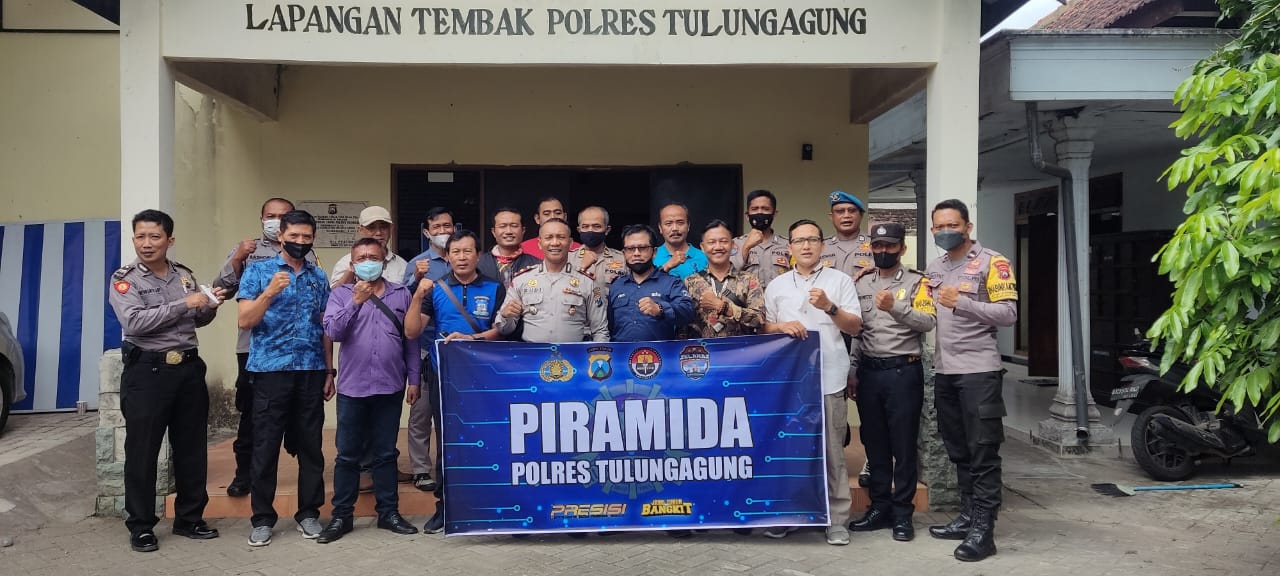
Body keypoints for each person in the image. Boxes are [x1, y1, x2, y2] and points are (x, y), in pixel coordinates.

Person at [109, 209, 225, 553]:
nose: (147, 243)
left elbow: (196, 319)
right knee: (142, 451)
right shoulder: (125, 279)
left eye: (155, 237)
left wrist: (209, 305)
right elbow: (134, 322)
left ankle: (190, 518)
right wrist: (183, 303)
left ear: (169, 240)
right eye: (140, 236)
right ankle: (141, 525)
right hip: (148, 372)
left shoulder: (184, 275)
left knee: (192, 448)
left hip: (188, 369)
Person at [924, 199, 1018, 562]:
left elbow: (1008, 314)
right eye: (939, 227)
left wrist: (962, 302)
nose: (945, 231)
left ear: (968, 226)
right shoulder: (936, 267)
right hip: (946, 371)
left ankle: (984, 530)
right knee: (958, 449)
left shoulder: (993, 262)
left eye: (953, 225)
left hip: (979, 371)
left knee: (983, 451)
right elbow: (926, 313)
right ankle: (966, 516)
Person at [236, 210, 334, 547]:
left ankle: (309, 514)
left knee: (310, 447)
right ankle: (263, 518)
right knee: (265, 446)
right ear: (281, 236)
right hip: (270, 372)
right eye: (294, 236)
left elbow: (325, 326)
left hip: (310, 370)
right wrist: (269, 293)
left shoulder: (318, 277)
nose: (300, 242)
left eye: (306, 237)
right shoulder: (258, 271)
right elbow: (245, 320)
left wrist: (329, 370)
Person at [762, 219, 862, 546]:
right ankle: (792, 514)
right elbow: (764, 327)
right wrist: (780, 327)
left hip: (829, 379)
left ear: (822, 245)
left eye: (812, 240)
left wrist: (830, 307)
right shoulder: (777, 285)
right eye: (799, 240)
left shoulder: (840, 280)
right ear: (789, 246)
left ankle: (837, 519)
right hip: (789, 384)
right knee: (792, 451)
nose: (806, 246)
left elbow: (855, 327)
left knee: (832, 453)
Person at [317, 238, 421, 543]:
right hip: (353, 388)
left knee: (386, 453)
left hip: (390, 385)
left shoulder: (401, 294)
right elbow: (332, 331)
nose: (367, 262)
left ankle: (388, 513)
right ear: (352, 265)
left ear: (383, 261)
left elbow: (411, 340)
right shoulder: (340, 294)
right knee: (347, 455)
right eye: (361, 258)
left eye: (373, 257)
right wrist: (356, 301)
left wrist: (414, 379)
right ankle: (341, 516)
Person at [211, 197, 315, 498]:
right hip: (254, 350)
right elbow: (221, 288)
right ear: (263, 219)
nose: (276, 220)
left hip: (297, 355)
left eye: (282, 216)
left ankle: (303, 479)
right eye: (271, 216)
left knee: (298, 418)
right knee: (252, 415)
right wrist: (237, 259)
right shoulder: (248, 251)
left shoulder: (306, 253)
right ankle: (244, 474)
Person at [405, 229, 506, 535]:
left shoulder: (495, 288)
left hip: (485, 377)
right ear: (447, 257)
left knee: (490, 437)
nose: (462, 257)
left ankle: (490, 504)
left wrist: (474, 338)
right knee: (448, 440)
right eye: (456, 252)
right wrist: (417, 296)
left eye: (468, 251)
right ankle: (445, 507)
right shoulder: (435, 288)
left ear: (478, 255)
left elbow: (504, 330)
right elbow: (411, 332)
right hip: (445, 375)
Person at [847, 222, 936, 543]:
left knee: (903, 446)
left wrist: (895, 307)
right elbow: (858, 332)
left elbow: (928, 321)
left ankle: (902, 514)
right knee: (875, 444)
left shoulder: (917, 282)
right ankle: (879, 507)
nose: (883, 251)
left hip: (903, 372)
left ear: (902, 248)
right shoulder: (862, 282)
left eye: (890, 246)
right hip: (870, 373)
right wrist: (853, 369)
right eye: (878, 246)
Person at [400, 206, 455, 492]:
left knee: (454, 413)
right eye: (437, 228)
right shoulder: (417, 263)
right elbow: (403, 304)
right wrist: (415, 281)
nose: (443, 232)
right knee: (421, 413)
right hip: (424, 348)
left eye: (447, 226)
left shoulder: (465, 258)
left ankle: (452, 467)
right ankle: (421, 469)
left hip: (457, 351)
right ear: (427, 232)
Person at [496, 218, 609, 343]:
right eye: (549, 237)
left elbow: (600, 331)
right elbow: (504, 330)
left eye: (561, 237)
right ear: (539, 243)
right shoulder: (521, 280)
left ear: (570, 243)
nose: (555, 243)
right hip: (533, 353)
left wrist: (599, 353)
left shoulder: (587, 282)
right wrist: (505, 316)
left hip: (573, 354)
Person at [607, 224, 696, 342]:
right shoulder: (617, 286)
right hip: (622, 352)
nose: (636, 253)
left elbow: (688, 313)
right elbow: (610, 325)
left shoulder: (671, 283)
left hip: (660, 352)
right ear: (623, 253)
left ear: (654, 252)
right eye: (630, 249)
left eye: (642, 248)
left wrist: (660, 309)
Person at [684, 219, 765, 338]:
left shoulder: (748, 280)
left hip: (741, 348)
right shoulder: (691, 282)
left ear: (732, 245)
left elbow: (760, 320)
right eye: (711, 242)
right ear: (702, 247)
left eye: (723, 241)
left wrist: (725, 308)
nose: (718, 247)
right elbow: (683, 325)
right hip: (704, 348)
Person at [330, 205, 409, 287]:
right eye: (372, 227)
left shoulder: (402, 265)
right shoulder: (345, 262)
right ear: (360, 230)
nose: (378, 232)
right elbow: (334, 293)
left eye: (383, 227)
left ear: (391, 228)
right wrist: (350, 272)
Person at [731, 189, 790, 286]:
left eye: (765, 209)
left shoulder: (787, 244)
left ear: (774, 214)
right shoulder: (735, 244)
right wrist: (746, 247)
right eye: (754, 209)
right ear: (747, 215)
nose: (760, 212)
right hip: (747, 295)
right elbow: (727, 274)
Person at [567, 205, 626, 292]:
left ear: (607, 230)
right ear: (579, 230)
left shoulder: (622, 258)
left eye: (596, 226)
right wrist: (581, 268)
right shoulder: (568, 259)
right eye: (585, 226)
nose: (590, 230)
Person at [478, 207, 541, 288]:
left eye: (514, 226)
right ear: (493, 232)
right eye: (502, 226)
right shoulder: (479, 264)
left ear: (523, 231)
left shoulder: (536, 265)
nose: (508, 231)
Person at [822, 191, 874, 276]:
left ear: (861, 215)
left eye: (852, 211)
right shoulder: (821, 247)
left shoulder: (875, 244)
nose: (846, 215)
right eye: (840, 211)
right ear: (831, 217)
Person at [653, 203, 708, 279]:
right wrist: (667, 266)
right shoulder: (652, 256)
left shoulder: (704, 257)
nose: (675, 228)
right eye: (668, 223)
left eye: (680, 223)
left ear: (688, 226)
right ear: (660, 227)